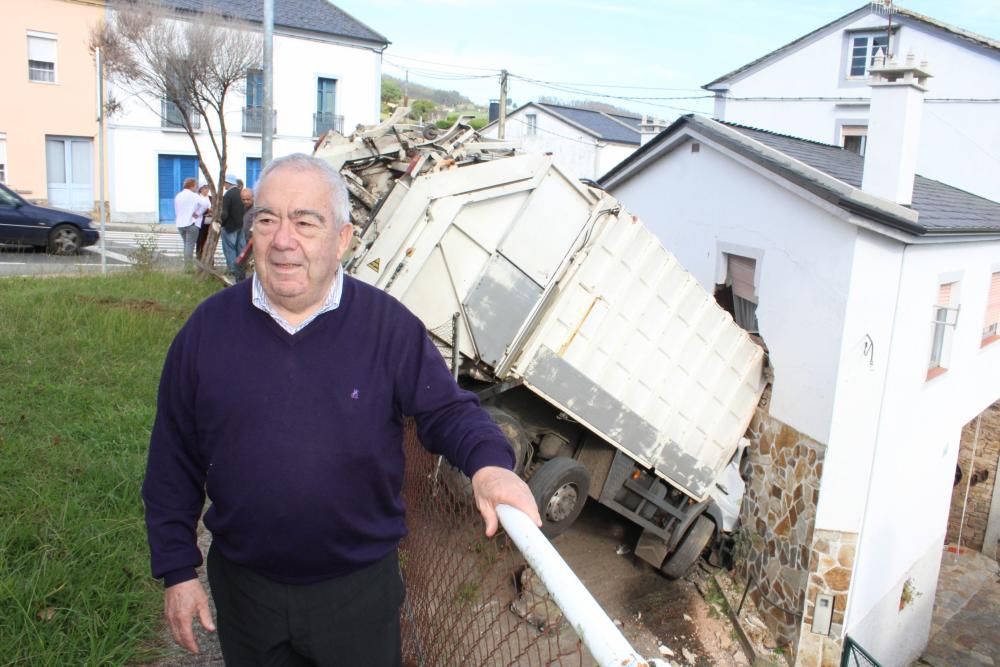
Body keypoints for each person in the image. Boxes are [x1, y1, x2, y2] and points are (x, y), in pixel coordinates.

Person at [142, 153, 541, 666]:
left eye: (305, 222)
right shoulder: (206, 331)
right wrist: (177, 571)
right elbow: (172, 457)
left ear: (342, 240)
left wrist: (489, 467)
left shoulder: (388, 328)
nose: (283, 240)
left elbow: (447, 411)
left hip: (356, 594)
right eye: (267, 220)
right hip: (245, 591)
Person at [219, 174, 245, 280]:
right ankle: (240, 269)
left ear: (228, 183)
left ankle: (233, 270)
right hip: (241, 225)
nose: (224, 185)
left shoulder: (228, 195)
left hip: (230, 226)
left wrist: (220, 222)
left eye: (224, 182)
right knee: (240, 249)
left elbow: (224, 213)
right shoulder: (241, 193)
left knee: (230, 249)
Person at [173, 178, 201, 268]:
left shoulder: (178, 195)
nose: (197, 188)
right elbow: (204, 204)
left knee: (186, 244)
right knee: (190, 245)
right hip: (191, 223)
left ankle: (187, 266)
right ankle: (188, 267)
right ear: (192, 186)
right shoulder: (194, 196)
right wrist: (198, 213)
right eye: (196, 186)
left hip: (180, 224)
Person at [194, 184, 213, 258]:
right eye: (205, 188)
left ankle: (209, 259)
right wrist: (206, 210)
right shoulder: (197, 198)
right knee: (200, 241)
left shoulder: (211, 198)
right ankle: (199, 258)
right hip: (200, 222)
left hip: (209, 222)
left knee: (208, 241)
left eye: (208, 188)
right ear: (200, 189)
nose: (207, 190)